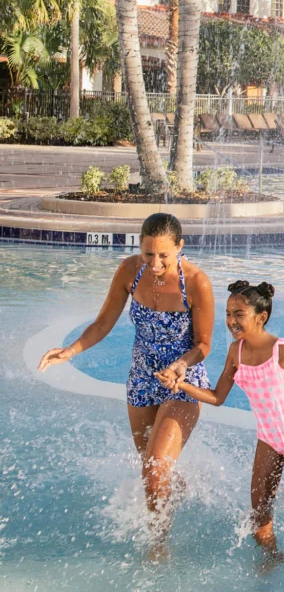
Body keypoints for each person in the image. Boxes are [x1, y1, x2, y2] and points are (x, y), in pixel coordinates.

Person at [37, 213, 214, 538]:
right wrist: (71, 350)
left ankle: (159, 543)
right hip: (142, 381)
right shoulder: (130, 271)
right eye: (148, 254)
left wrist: (181, 366)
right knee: (151, 470)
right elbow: (103, 323)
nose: (155, 263)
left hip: (182, 381)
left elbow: (204, 345)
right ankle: (180, 491)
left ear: (180, 247)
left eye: (164, 255)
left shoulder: (197, 282)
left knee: (156, 466)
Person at [162, 280, 284, 553]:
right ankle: (272, 558)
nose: (231, 321)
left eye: (239, 314)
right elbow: (217, 397)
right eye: (228, 314)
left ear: (261, 318)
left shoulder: (281, 350)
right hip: (268, 438)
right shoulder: (235, 353)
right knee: (259, 517)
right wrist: (182, 385)